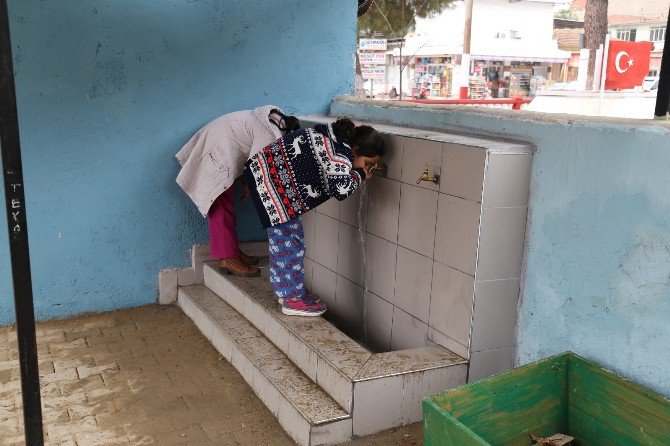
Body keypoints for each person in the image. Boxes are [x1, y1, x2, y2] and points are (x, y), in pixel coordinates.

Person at [244, 118, 385, 316]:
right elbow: (341, 190)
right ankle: (292, 298)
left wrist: (357, 170)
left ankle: (286, 291)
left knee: (286, 241)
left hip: (267, 179)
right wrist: (360, 174)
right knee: (289, 243)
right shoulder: (341, 153)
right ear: (356, 150)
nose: (367, 167)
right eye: (367, 163)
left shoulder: (333, 137)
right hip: (273, 188)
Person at [175, 106, 300, 277]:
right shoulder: (271, 134)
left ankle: (231, 250)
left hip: (219, 143)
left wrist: (247, 184)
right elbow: (257, 165)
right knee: (219, 202)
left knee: (223, 202)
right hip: (217, 151)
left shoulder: (273, 119)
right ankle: (228, 257)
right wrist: (250, 186)